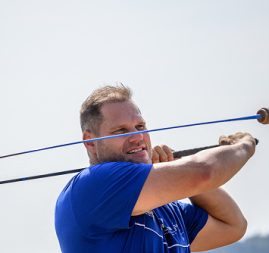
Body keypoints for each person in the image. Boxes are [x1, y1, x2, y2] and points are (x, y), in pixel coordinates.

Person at [55, 84, 256, 253]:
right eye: (121, 130)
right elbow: (205, 172)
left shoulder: (167, 208)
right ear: (90, 142)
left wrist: (175, 168)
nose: (137, 137)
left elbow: (233, 226)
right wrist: (244, 146)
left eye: (140, 127)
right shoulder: (95, 183)